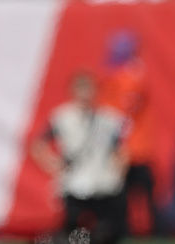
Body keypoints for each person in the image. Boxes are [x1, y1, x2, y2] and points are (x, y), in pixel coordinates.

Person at [31, 72, 127, 244]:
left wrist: (118, 173)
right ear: (73, 92)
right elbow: (38, 145)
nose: (86, 95)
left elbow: (120, 150)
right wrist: (53, 165)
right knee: (74, 234)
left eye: (89, 89)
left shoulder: (108, 118)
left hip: (104, 184)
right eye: (81, 89)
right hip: (75, 183)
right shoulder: (62, 117)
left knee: (107, 233)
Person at [99, 30, 159, 236]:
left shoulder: (131, 74)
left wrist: (116, 144)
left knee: (138, 193)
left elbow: (123, 114)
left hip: (131, 147)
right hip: (128, 145)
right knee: (122, 194)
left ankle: (150, 230)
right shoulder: (122, 73)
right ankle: (123, 230)